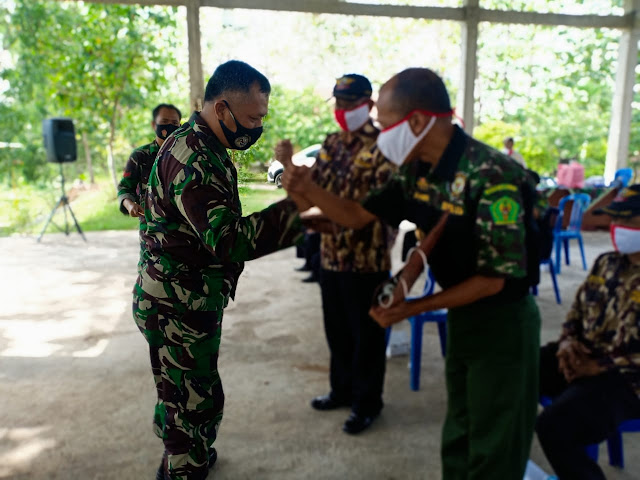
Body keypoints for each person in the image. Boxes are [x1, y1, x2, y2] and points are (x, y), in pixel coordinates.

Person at [282, 67, 541, 479]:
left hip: (503, 323)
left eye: (385, 125)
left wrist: (414, 306)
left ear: (417, 121)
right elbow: (358, 216)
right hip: (463, 313)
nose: (382, 135)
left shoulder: (492, 175)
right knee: (461, 426)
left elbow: (494, 279)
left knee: (496, 441)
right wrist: (307, 187)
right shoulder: (418, 170)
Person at [133, 60, 307, 480]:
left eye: (262, 118)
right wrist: (302, 213)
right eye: (252, 118)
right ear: (222, 108)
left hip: (187, 296)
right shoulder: (193, 157)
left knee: (184, 392)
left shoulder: (204, 145)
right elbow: (228, 239)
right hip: (176, 305)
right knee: (191, 404)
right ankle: (182, 468)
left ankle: (181, 455)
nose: (257, 127)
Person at [305, 74, 396, 434]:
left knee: (367, 337)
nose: (343, 111)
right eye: (339, 104)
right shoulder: (331, 143)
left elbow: (372, 207)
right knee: (337, 330)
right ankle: (341, 390)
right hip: (331, 254)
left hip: (368, 258)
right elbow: (318, 190)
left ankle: (367, 403)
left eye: (351, 103)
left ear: (369, 105)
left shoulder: (385, 145)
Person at [536, 185, 640, 480]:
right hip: (585, 358)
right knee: (517, 372)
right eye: (615, 220)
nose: (617, 228)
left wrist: (600, 367)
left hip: (628, 381)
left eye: (628, 221)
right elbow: (577, 310)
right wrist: (567, 342)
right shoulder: (607, 262)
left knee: (556, 427)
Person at [118, 103, 182, 221]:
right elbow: (125, 187)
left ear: (180, 125)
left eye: (174, 123)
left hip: (187, 232)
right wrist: (129, 205)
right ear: (154, 124)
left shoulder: (187, 154)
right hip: (153, 232)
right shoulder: (140, 156)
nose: (169, 126)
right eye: (164, 122)